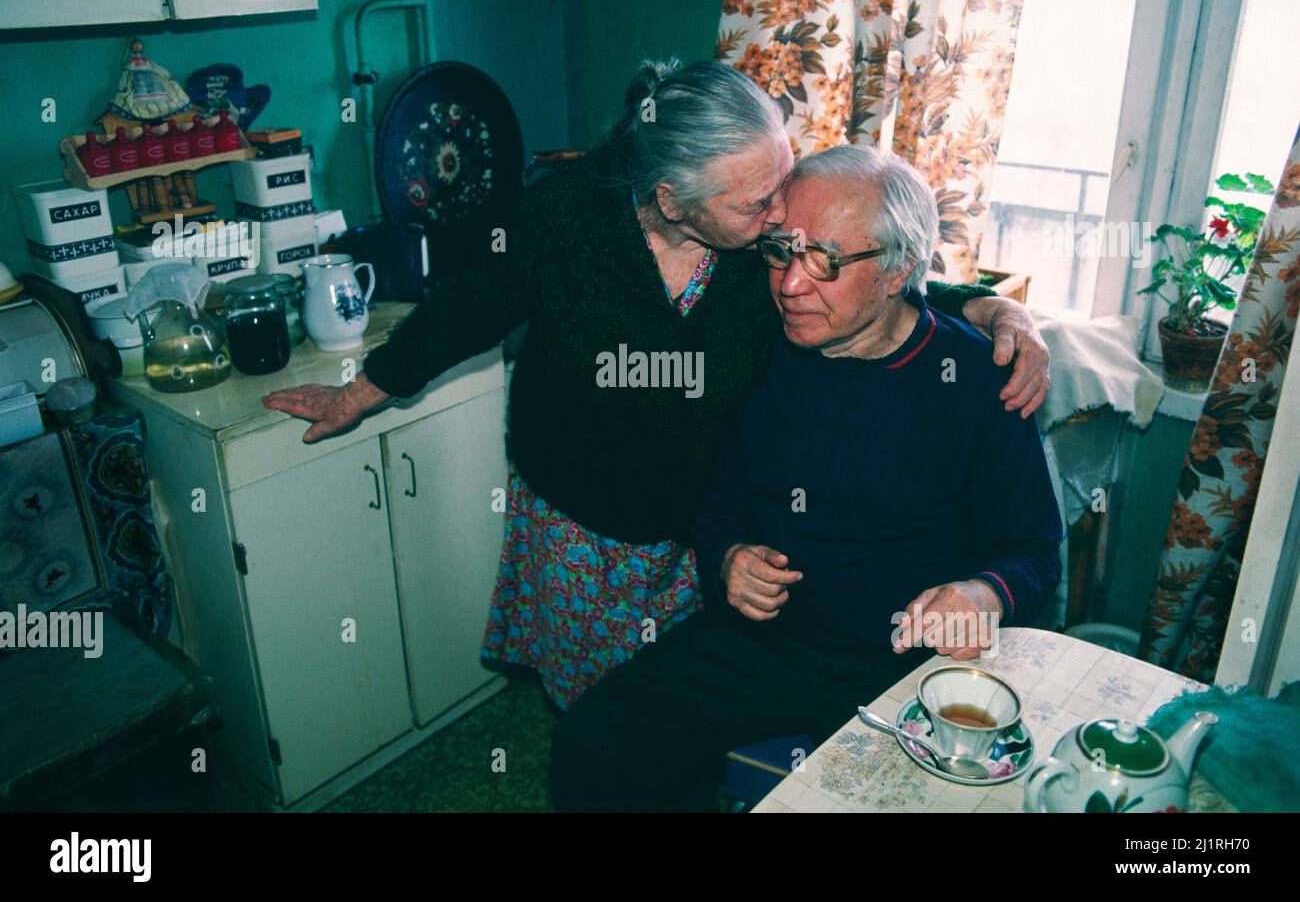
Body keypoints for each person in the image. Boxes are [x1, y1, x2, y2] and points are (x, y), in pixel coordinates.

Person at [262, 59, 1051, 710]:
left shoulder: (760, 243)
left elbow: (865, 253)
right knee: (597, 711)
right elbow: (464, 311)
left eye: (782, 178)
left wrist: (984, 305)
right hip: (585, 519)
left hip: (701, 523)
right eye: (759, 203)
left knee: (679, 702)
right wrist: (357, 393)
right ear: (674, 202)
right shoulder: (564, 220)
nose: (781, 215)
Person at [548, 144, 1064, 810]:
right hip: (766, 644)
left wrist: (982, 594)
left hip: (905, 662)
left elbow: (1034, 552)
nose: (792, 284)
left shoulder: (976, 378)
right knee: (592, 745)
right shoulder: (751, 341)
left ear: (900, 266)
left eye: (826, 259)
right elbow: (715, 500)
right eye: (784, 250)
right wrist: (727, 557)